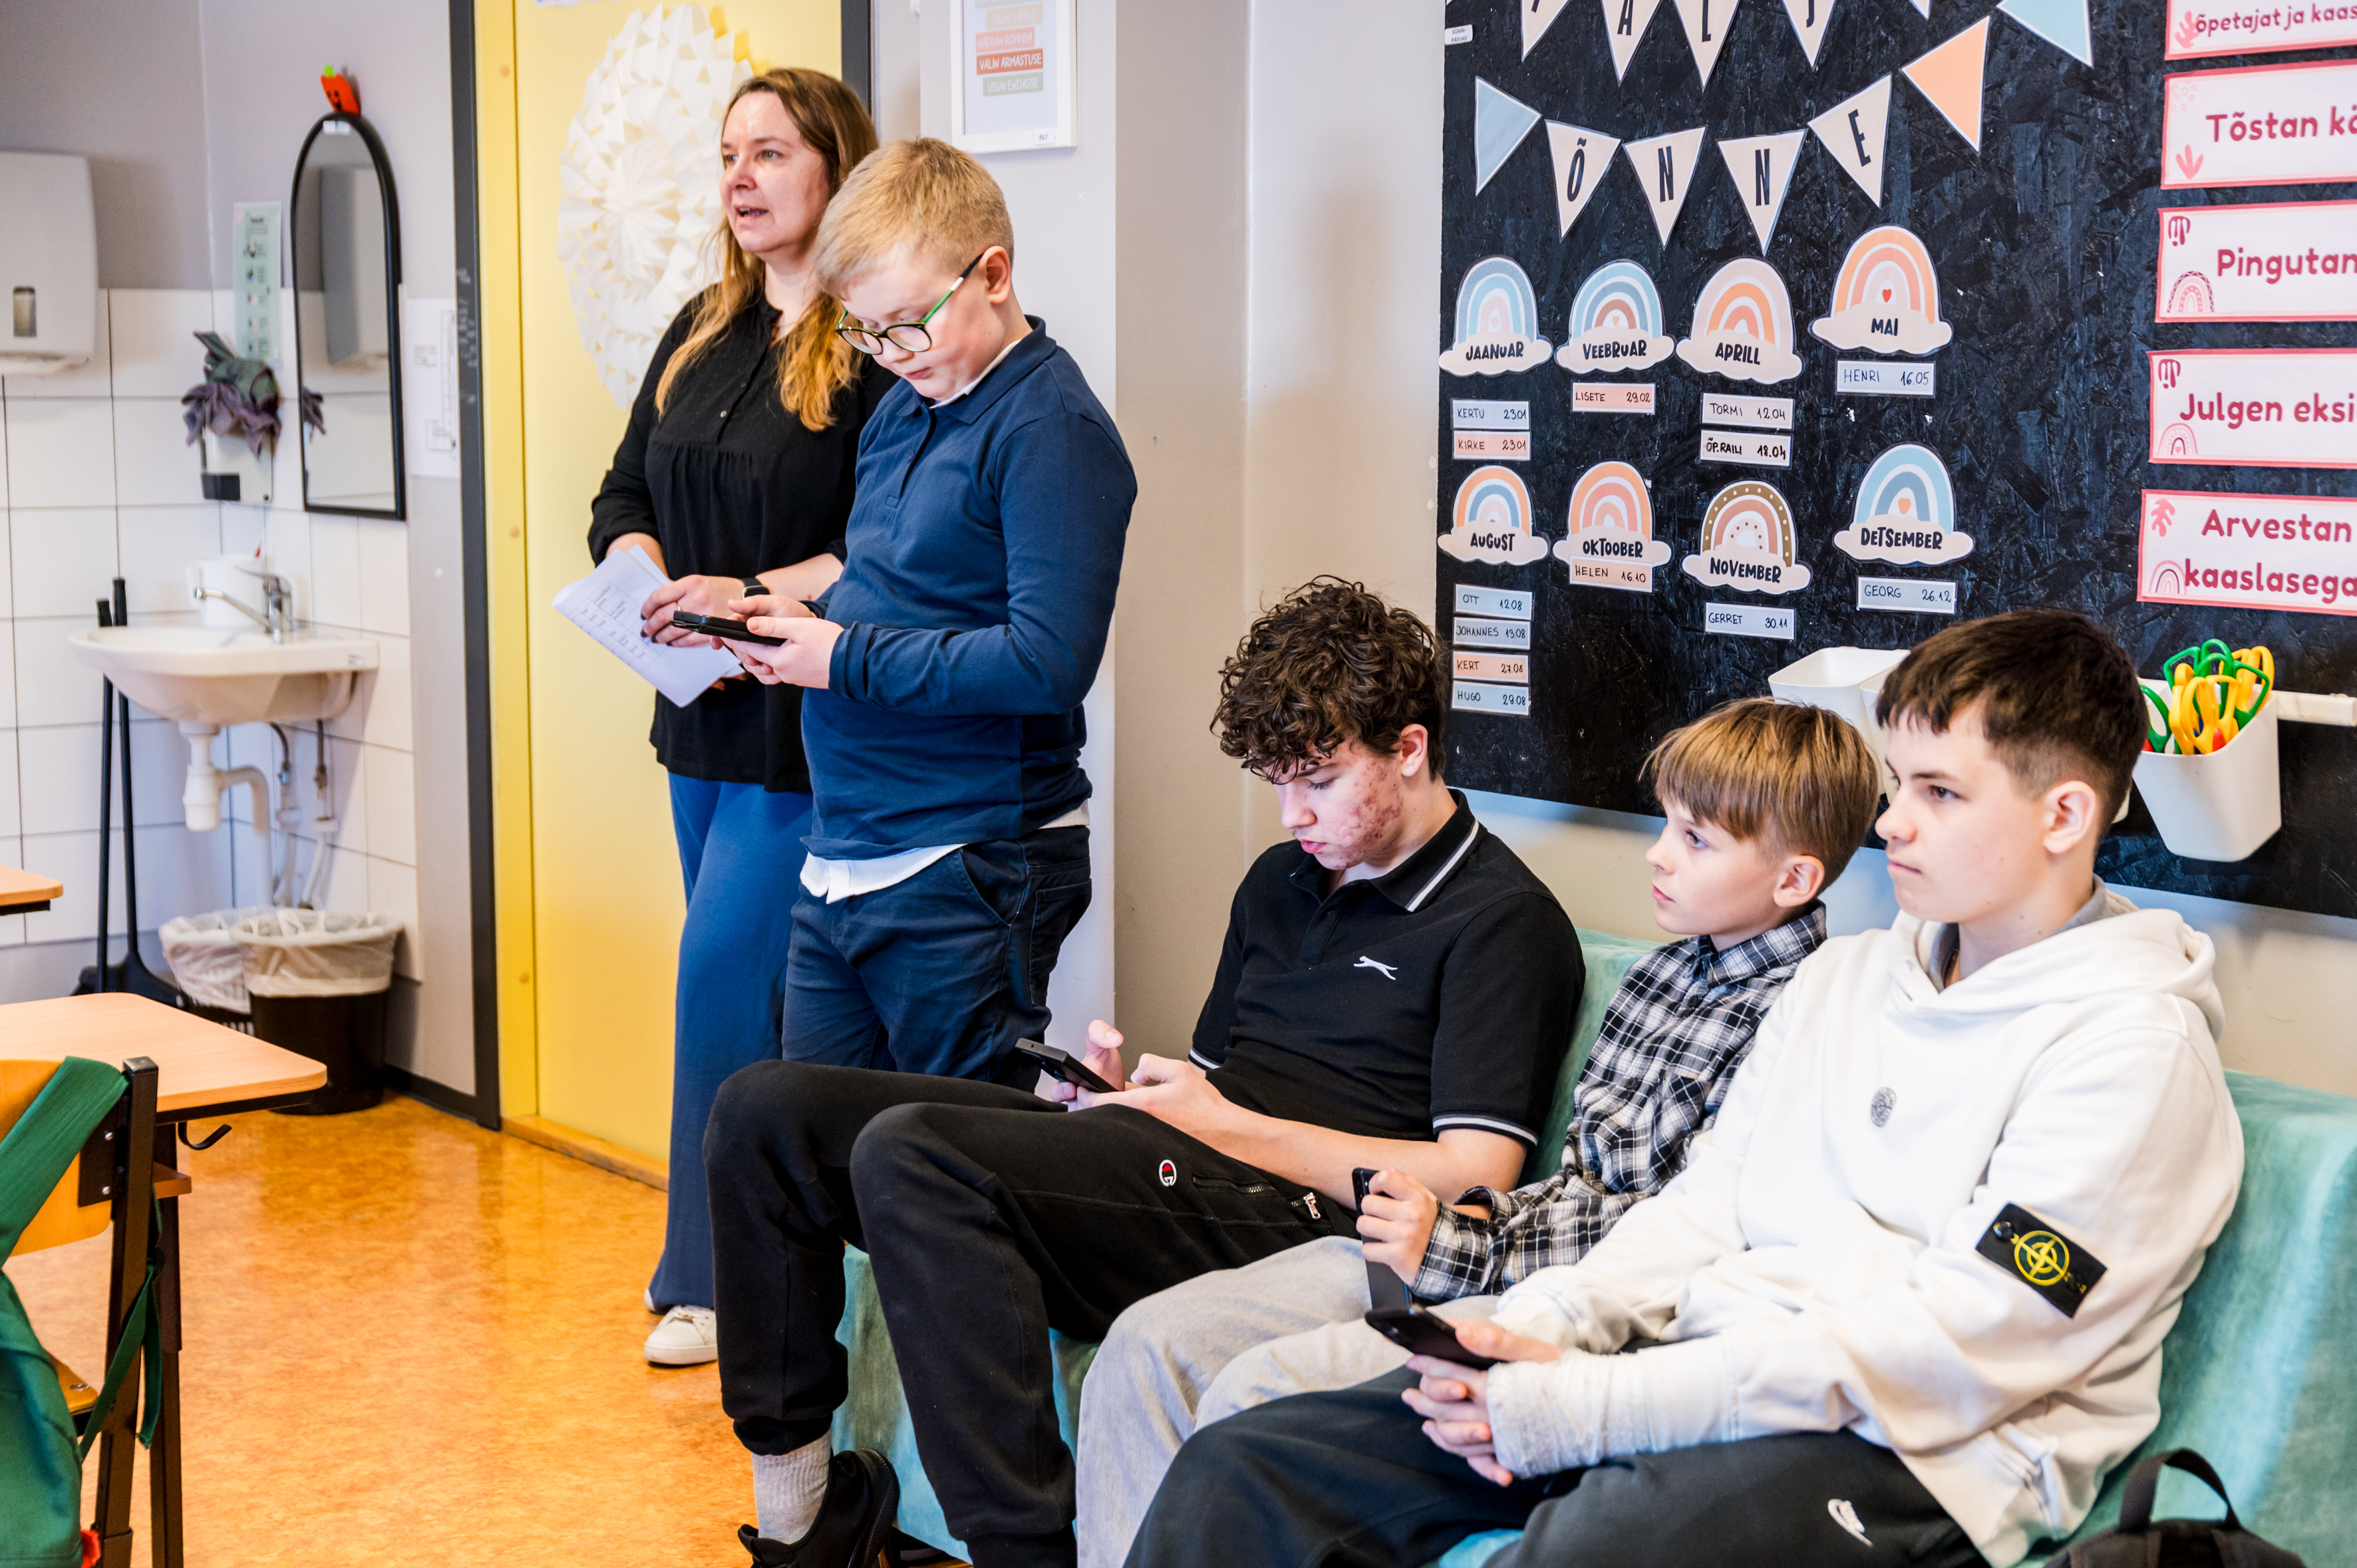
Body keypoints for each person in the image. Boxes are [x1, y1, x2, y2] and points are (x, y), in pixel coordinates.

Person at [1131, 609, 2246, 1568]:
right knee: (1252, 1464)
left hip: (1922, 1453)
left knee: (1579, 1552)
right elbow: (1704, 1207)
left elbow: (1951, 1346)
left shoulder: (2135, 1054)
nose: (1891, 821)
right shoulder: (1848, 976)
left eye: (1941, 792)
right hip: (1702, 1366)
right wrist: (1532, 1329)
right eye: (1899, 781)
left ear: (2064, 816)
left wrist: (1587, 1404)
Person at [703, 581, 1582, 1568]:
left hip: (1306, 1222)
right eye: (1276, 782)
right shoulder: (1280, 879)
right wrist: (1121, 1099)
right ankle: (804, 1515)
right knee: (766, 1109)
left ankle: (1025, 1555)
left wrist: (1219, 1125)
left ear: (1410, 748)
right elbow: (1216, 1083)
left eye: (1320, 781)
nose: (1292, 813)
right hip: (1187, 1175)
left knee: (916, 1154)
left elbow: (1475, 1177)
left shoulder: (1503, 921)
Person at [1074, 696, 1881, 1568]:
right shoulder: (1659, 975)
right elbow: (1576, 1183)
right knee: (1151, 1342)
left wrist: (1457, 1243)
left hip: (1572, 1296)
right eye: (1666, 825)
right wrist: (1454, 1220)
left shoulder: (1808, 1016)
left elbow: (1669, 1236)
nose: (1657, 853)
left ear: (1794, 880)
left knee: (1259, 1391)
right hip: (1487, 1242)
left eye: (1696, 839)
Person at [583, 67, 891, 1368]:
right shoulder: (700, 330)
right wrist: (646, 571)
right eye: (728, 155)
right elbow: (620, 493)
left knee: (719, 987)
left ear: (836, 167)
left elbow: (881, 549)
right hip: (696, 729)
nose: (740, 178)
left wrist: (747, 594)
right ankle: (773, 1272)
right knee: (752, 1006)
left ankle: (711, 1283)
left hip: (798, 736)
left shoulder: (873, 346)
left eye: (770, 152)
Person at [716, 138, 1130, 1084]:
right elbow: (897, 583)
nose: (891, 356)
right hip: (850, 846)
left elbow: (1047, 662)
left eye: (908, 325)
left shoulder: (1050, 428)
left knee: (935, 1158)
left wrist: (841, 657)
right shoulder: (907, 403)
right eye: (866, 332)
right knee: (807, 1138)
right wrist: (795, 616)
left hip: (969, 856)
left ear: (994, 275)